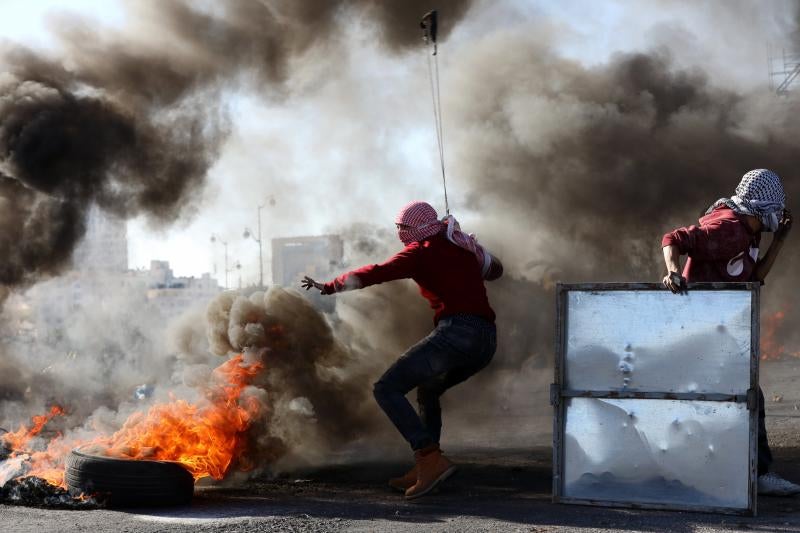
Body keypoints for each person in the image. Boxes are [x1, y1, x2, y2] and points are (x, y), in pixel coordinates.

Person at [302, 200, 503, 499]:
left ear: (420, 228)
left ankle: (428, 457)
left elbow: (376, 272)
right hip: (486, 340)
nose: (400, 233)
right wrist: (465, 241)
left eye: (403, 228)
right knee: (427, 390)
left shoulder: (421, 252)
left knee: (386, 388)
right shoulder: (460, 244)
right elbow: (496, 270)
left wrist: (330, 286)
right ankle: (428, 464)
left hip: (459, 333)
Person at [661, 168, 796, 496]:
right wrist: (672, 273)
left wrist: (778, 240)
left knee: (743, 398)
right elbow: (673, 239)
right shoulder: (726, 227)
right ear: (761, 206)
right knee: (730, 399)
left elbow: (756, 276)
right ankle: (743, 476)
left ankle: (743, 473)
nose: (778, 214)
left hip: (719, 333)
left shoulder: (749, 230)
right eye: (775, 208)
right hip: (699, 331)